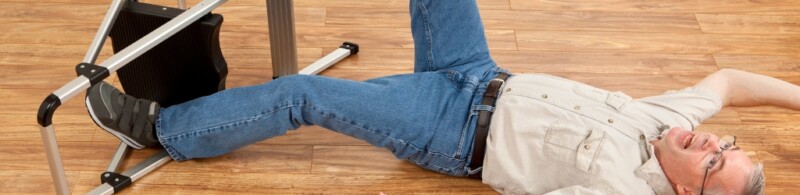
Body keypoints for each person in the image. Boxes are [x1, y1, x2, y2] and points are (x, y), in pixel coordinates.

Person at [83, 0, 790, 194]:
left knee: (305, 95)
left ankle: (163, 128)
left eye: (709, 165)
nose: (709, 143)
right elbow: (727, 83)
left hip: (449, 132)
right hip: (477, 70)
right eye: (723, 145)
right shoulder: (675, 122)